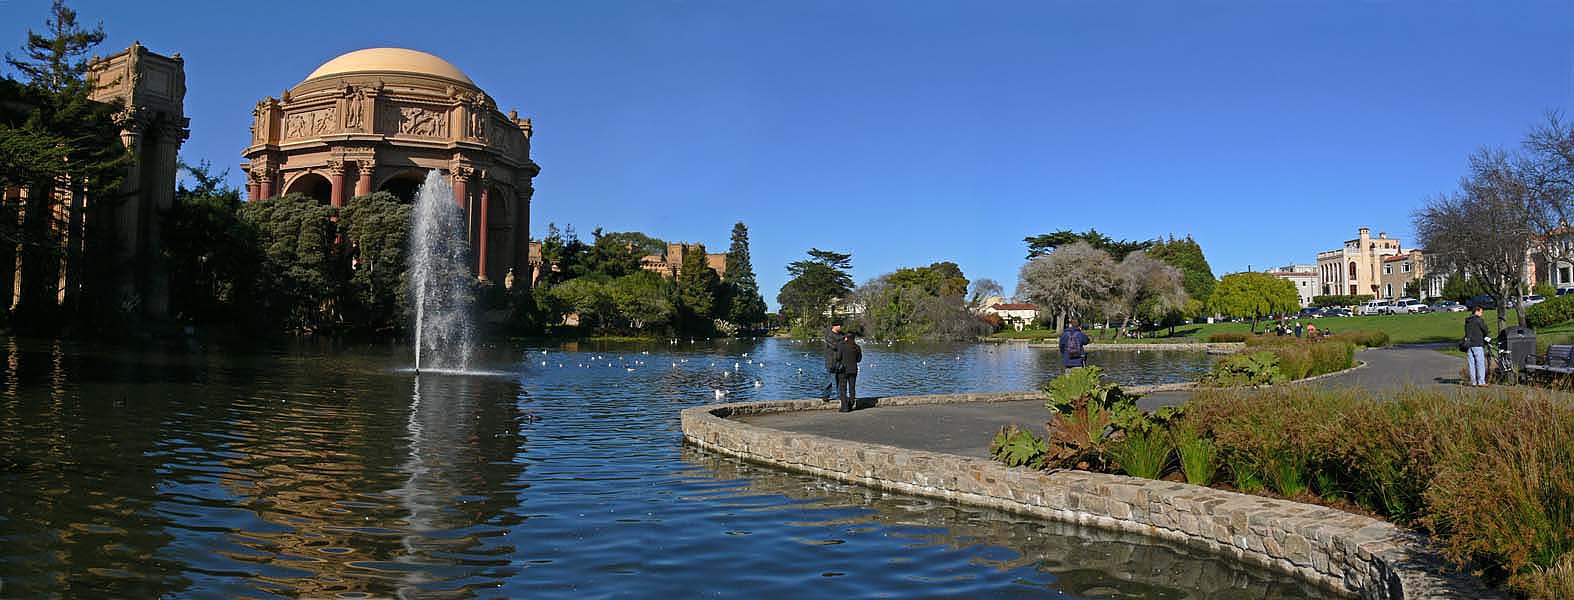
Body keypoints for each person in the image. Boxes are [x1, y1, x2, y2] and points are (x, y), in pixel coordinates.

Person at [834, 333, 862, 412]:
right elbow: (859, 360)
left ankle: (845, 406)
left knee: (843, 389)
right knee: (852, 388)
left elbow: (838, 357)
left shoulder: (842, 346)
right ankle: (851, 403)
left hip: (843, 370)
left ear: (846, 338)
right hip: (853, 370)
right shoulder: (857, 347)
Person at [1464, 304, 1489, 386]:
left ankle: (1473, 381)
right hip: (1477, 344)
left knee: (1471, 364)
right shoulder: (1479, 320)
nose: (1482, 314)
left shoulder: (1468, 321)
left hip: (1468, 345)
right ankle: (1481, 381)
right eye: (1481, 312)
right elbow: (1485, 330)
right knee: (1480, 363)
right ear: (1477, 311)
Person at [821, 322, 843, 401]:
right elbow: (834, 346)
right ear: (835, 326)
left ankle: (840, 396)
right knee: (829, 379)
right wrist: (842, 342)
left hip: (840, 361)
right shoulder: (829, 335)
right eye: (839, 325)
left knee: (840, 380)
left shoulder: (842, 334)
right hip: (831, 361)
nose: (841, 327)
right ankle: (825, 396)